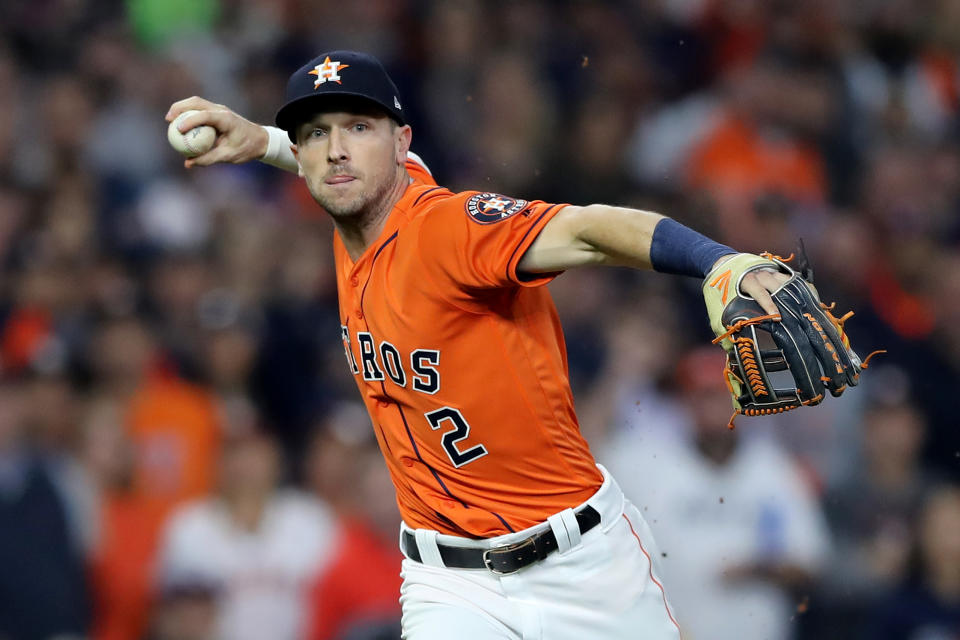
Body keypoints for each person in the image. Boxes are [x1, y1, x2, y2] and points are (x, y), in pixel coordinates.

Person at [165, 50, 799, 639]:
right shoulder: (355, 203)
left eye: (360, 127)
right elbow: (336, 168)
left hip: (582, 567)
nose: (336, 151)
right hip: (449, 584)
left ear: (403, 141)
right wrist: (260, 141)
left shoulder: (451, 230)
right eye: (315, 134)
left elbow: (588, 231)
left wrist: (716, 261)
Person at [602, 347, 831, 640]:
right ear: (685, 402)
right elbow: (586, 453)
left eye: (723, 394)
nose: (713, 407)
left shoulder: (774, 470)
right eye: (703, 395)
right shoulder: (647, 463)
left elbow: (812, 562)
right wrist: (621, 372)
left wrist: (756, 568)